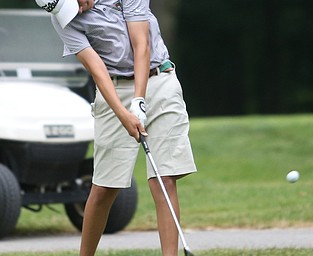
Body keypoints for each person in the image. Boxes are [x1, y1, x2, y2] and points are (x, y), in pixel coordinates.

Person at [34, 0, 197, 255]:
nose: (76, 11)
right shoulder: (61, 19)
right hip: (113, 89)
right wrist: (123, 113)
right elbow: (97, 69)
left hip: (159, 80)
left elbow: (140, 45)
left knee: (164, 179)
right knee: (104, 187)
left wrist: (139, 102)